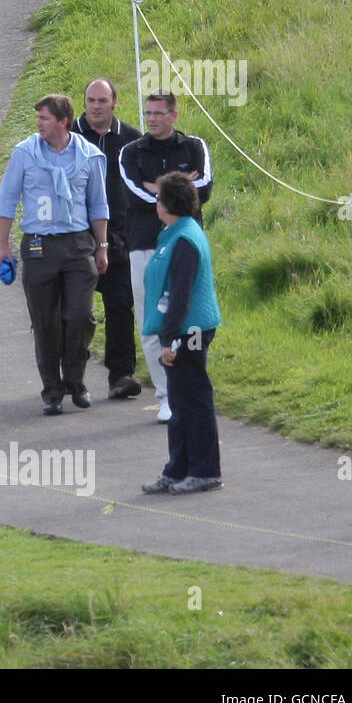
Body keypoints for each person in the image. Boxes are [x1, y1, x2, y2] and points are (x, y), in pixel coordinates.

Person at [0, 94, 110, 416]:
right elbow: (7, 201)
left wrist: (102, 247)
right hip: (38, 245)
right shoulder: (25, 153)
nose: (38, 124)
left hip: (77, 244)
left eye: (44, 118)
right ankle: (52, 389)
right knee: (45, 323)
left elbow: (98, 206)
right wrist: (2, 247)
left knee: (78, 317)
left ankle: (76, 380)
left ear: (63, 121)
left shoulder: (89, 156)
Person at [119, 91, 213, 421]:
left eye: (159, 113)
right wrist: (178, 187)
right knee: (151, 321)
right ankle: (165, 395)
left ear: (174, 115)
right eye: (148, 113)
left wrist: (158, 187)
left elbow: (204, 189)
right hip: (144, 244)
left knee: (189, 314)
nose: (152, 119)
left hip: (185, 242)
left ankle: (189, 383)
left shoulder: (195, 146)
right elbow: (133, 194)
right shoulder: (131, 152)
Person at [140, 172, 223, 495]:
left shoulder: (184, 240)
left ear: (168, 203)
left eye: (159, 197)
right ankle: (177, 469)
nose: (156, 203)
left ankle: (205, 470)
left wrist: (170, 340)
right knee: (179, 400)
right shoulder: (176, 233)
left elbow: (180, 295)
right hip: (183, 329)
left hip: (189, 331)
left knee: (193, 400)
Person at [71, 78, 142, 398]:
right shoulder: (67, 136)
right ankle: (70, 375)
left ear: (115, 102)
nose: (95, 107)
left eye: (102, 101)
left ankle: (121, 375)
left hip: (119, 239)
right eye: (90, 101)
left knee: (120, 306)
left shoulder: (132, 141)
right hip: (74, 237)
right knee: (73, 313)